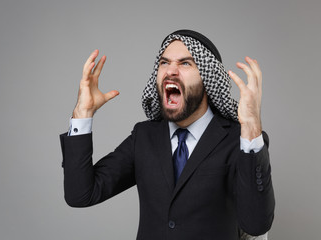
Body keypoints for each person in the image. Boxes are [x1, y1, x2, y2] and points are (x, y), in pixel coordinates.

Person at [60, 30, 275, 240]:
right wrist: (83, 114)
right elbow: (81, 194)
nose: (170, 71)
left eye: (185, 63)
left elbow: (256, 224)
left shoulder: (240, 140)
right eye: (164, 62)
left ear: (208, 79)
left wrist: (250, 127)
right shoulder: (144, 137)